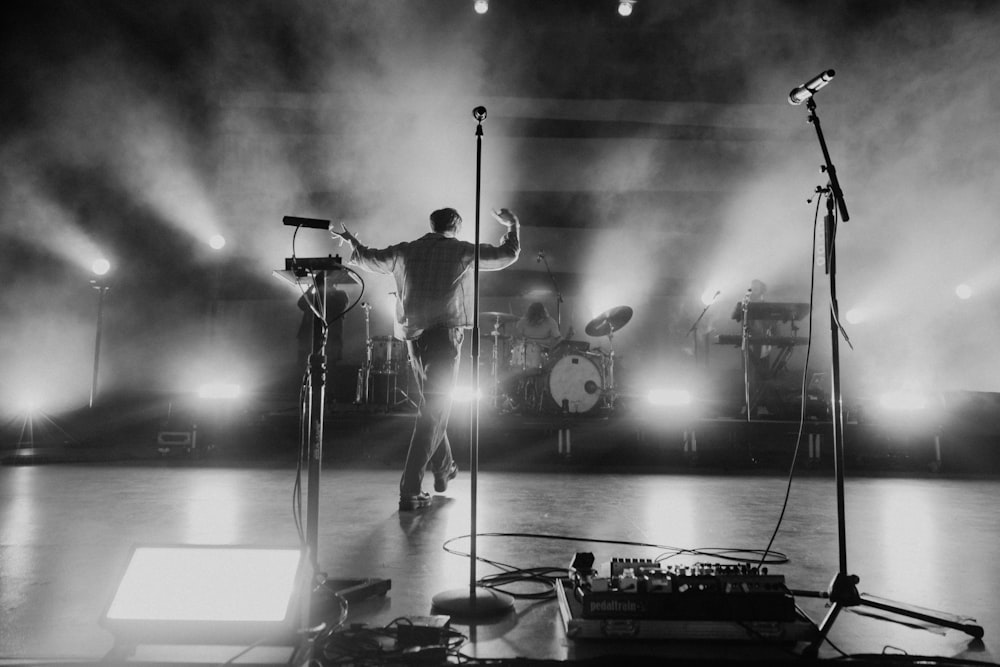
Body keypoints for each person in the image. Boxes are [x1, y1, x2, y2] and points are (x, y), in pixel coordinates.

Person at [331, 207, 520, 510]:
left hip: (413, 336)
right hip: (444, 335)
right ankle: (410, 489)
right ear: (456, 226)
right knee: (434, 410)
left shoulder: (406, 251)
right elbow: (506, 254)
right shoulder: (460, 250)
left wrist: (353, 241)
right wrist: (513, 224)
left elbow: (370, 259)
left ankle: (444, 467)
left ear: (432, 225)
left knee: (432, 406)